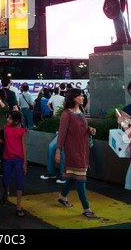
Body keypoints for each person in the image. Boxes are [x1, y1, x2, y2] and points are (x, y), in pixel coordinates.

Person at [55, 88, 98, 219]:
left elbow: (82, 127)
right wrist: (58, 151)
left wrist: (89, 129)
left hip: (83, 150)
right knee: (80, 178)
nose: (83, 97)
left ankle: (62, 196)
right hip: (73, 151)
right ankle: (86, 208)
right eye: (81, 96)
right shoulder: (66, 114)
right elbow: (61, 134)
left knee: (75, 176)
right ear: (74, 98)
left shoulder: (81, 111)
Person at [0, 110, 27, 218]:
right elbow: (4, 142)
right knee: (5, 180)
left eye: (10, 118)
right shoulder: (7, 128)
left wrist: (25, 163)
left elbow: (24, 148)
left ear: (16, 122)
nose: (7, 120)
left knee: (19, 182)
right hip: (7, 158)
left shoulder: (22, 131)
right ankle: (6, 193)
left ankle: (18, 206)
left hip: (18, 159)